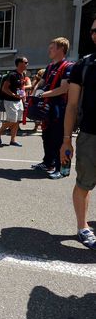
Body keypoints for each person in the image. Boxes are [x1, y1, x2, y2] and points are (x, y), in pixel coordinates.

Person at [60, 19, 96, 249]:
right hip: (90, 135)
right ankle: (83, 227)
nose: (95, 34)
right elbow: (72, 105)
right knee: (84, 183)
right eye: (93, 30)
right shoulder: (83, 66)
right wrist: (66, 140)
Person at [31, 38, 73, 179]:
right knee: (47, 136)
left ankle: (62, 169)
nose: (49, 50)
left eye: (52, 47)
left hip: (60, 108)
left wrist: (42, 94)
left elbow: (64, 88)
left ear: (61, 49)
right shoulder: (50, 67)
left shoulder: (68, 66)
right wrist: (35, 92)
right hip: (47, 107)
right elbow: (42, 82)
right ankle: (48, 163)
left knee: (59, 138)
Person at [0, 57, 28, 147]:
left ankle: (13, 140)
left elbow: (22, 86)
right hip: (10, 101)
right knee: (12, 120)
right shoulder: (12, 75)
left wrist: (23, 96)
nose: (27, 64)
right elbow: (4, 88)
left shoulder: (22, 74)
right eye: (25, 62)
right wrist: (14, 95)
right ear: (20, 63)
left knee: (17, 121)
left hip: (19, 101)